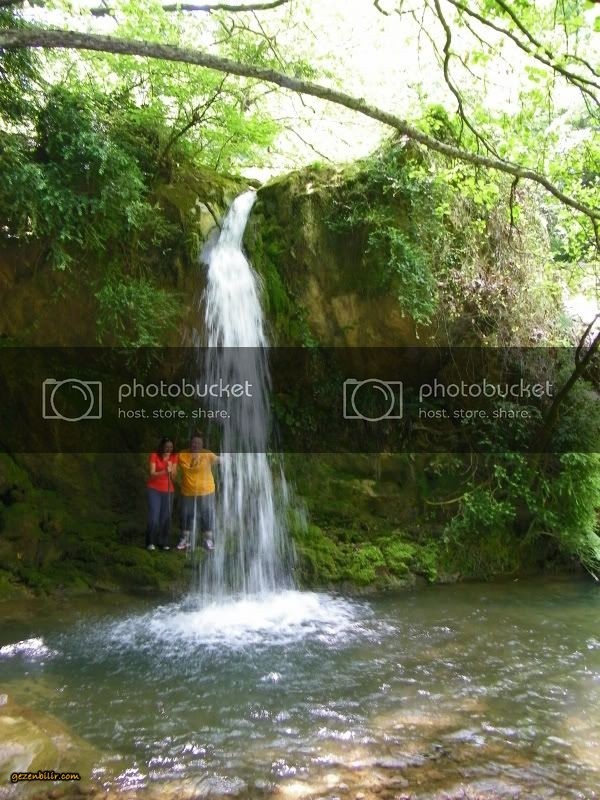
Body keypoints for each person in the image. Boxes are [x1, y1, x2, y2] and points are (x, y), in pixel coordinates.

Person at [176, 432, 220, 551]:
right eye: (194, 442)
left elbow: (218, 459)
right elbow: (172, 462)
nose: (196, 445)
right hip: (187, 492)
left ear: (202, 445)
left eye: (198, 443)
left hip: (206, 491)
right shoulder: (182, 454)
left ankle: (208, 540)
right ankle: (185, 539)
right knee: (185, 515)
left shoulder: (207, 454)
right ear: (190, 443)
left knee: (207, 515)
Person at [146, 437, 178, 551]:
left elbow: (174, 477)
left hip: (168, 490)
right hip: (154, 489)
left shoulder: (174, 457)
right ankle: (150, 542)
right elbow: (152, 473)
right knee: (154, 516)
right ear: (162, 447)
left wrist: (172, 470)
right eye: (166, 447)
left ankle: (163, 542)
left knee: (166, 517)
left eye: (171, 447)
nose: (169, 449)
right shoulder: (154, 455)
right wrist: (164, 471)